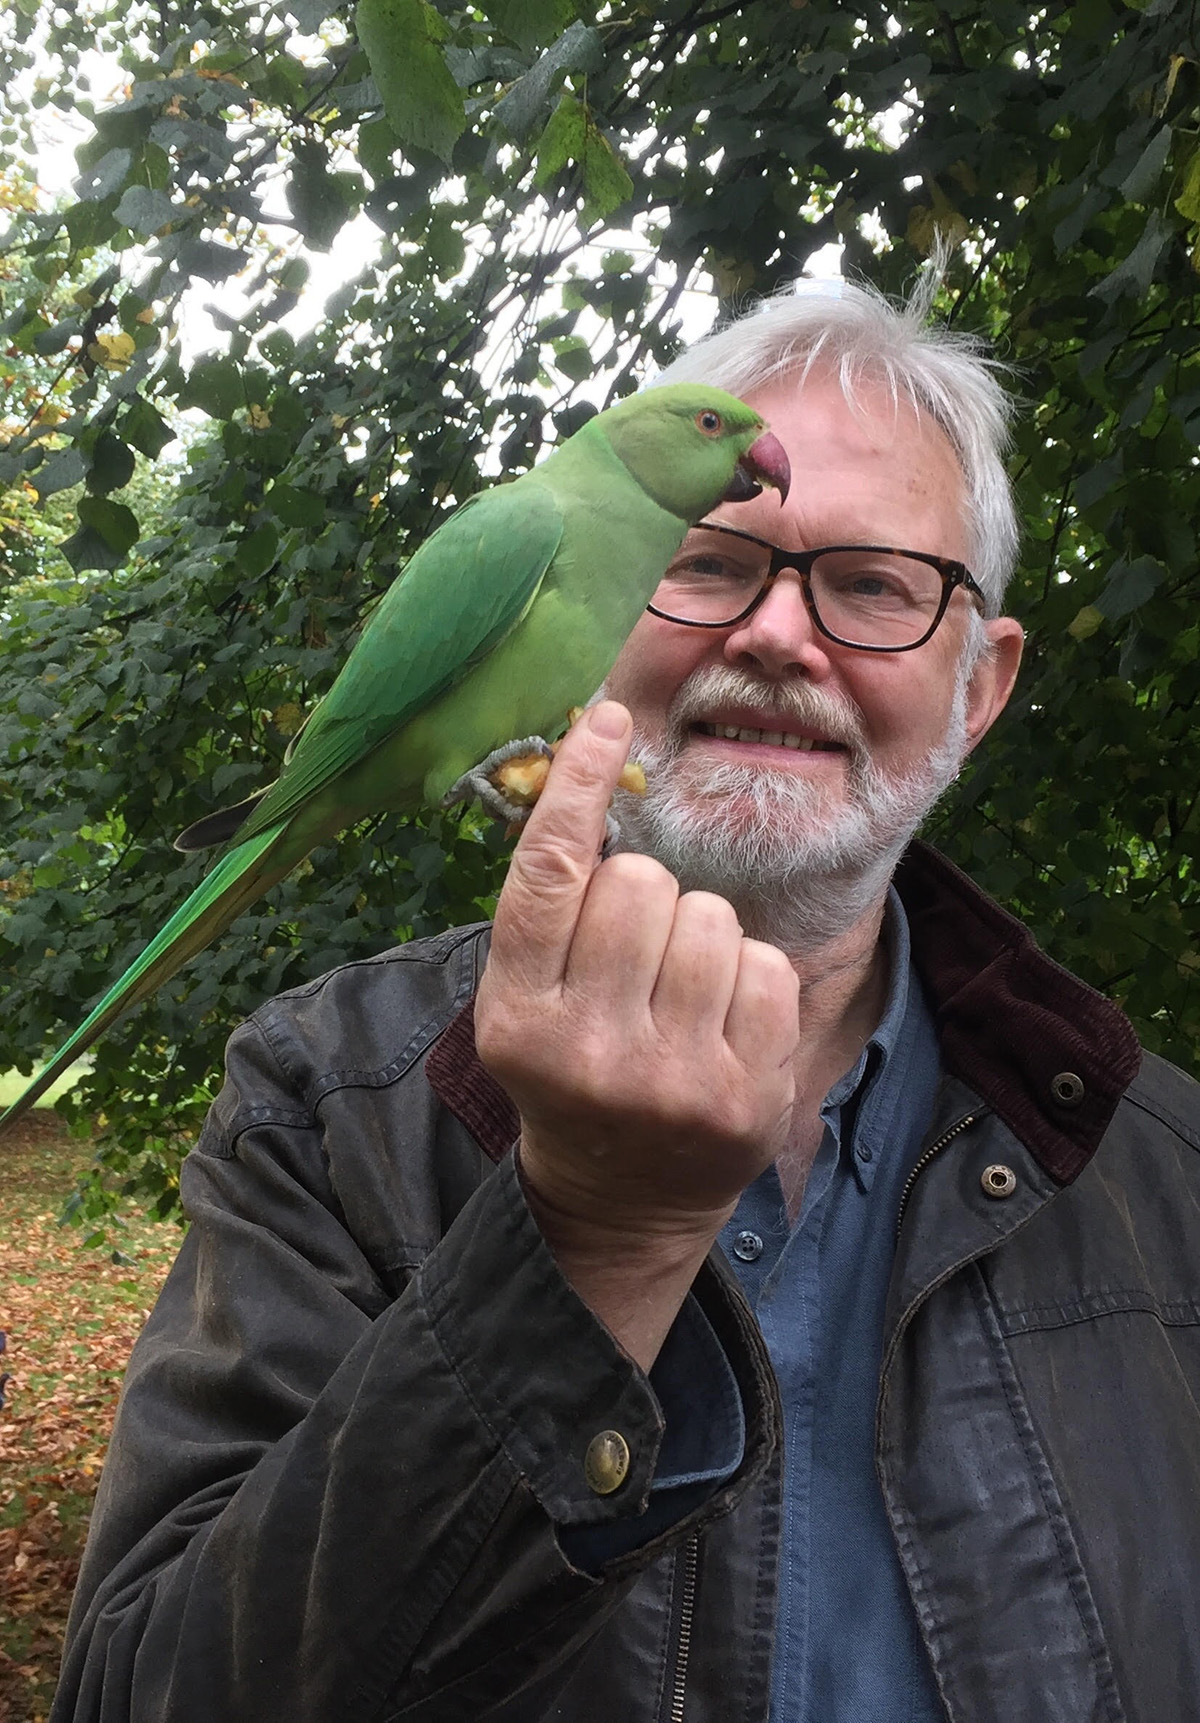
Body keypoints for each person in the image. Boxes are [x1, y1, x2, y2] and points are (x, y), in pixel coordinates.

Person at [51, 275, 1200, 1723]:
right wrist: (585, 1246)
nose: (781, 635)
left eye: (873, 586)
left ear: (980, 689)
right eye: (716, 562)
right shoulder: (322, 1107)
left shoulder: (1171, 1175)